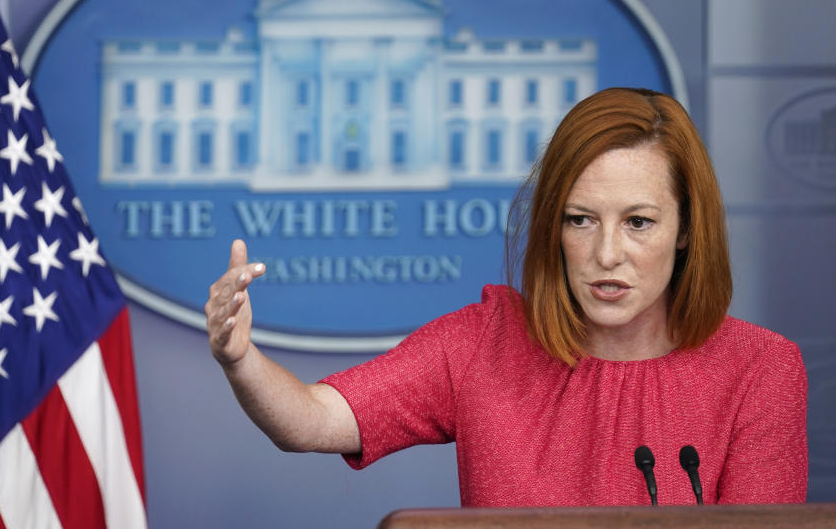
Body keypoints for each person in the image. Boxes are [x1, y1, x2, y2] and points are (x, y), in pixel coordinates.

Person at [204, 87, 807, 506]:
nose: (605, 254)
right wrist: (240, 360)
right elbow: (310, 421)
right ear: (554, 228)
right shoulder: (481, 344)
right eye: (580, 220)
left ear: (685, 232)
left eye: (639, 222)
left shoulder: (760, 369)